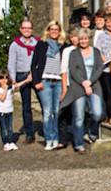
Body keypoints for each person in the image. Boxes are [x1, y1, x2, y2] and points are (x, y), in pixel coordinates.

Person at [60, 27, 103, 155]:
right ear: (78, 40)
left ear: (89, 39)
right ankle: (79, 144)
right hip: (78, 87)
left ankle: (93, 131)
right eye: (81, 39)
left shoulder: (96, 51)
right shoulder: (74, 53)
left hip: (94, 85)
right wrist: (84, 83)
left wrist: (90, 82)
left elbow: (99, 68)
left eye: (85, 38)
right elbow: (73, 70)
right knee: (78, 116)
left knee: (97, 113)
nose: (83, 41)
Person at [31, 21, 67, 151]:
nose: (54, 32)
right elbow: (34, 64)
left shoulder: (63, 46)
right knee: (47, 112)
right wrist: (36, 82)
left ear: (59, 31)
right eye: (52, 29)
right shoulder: (41, 45)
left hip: (58, 82)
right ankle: (49, 138)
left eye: (56, 29)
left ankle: (56, 138)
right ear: (48, 30)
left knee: (57, 111)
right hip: (45, 81)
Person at [7, 20, 39, 144]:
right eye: (25, 28)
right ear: (20, 29)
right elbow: (12, 63)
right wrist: (13, 79)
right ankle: (30, 134)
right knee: (26, 105)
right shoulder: (15, 45)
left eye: (29, 28)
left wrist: (34, 73)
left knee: (43, 103)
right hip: (22, 76)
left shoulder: (37, 43)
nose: (27, 30)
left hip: (35, 75)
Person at [0, 69, 30, 151]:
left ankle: (11, 141)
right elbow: (2, 99)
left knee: (10, 128)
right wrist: (5, 89)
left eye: (6, 78)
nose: (4, 80)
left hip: (9, 111)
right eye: (1, 78)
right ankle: (5, 143)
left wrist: (26, 80)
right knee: (3, 128)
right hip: (1, 112)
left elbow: (17, 85)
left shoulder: (10, 88)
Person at [95, 13, 111, 123]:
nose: (110, 24)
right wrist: (106, 61)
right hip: (106, 69)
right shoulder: (101, 35)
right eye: (108, 22)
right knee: (108, 94)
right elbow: (98, 50)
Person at [59, 26, 80, 149]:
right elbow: (64, 70)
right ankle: (63, 139)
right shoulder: (67, 51)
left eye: (75, 36)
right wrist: (64, 88)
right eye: (71, 37)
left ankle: (77, 140)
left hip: (81, 86)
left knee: (79, 113)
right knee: (63, 111)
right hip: (69, 84)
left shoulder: (85, 49)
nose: (73, 39)